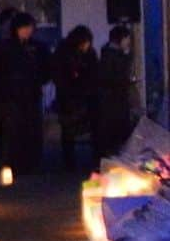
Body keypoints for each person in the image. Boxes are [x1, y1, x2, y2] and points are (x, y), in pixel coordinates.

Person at [0, 12, 51, 173]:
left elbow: (47, 68)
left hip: (32, 95)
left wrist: (40, 79)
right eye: (23, 28)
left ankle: (31, 163)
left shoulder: (38, 48)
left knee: (32, 130)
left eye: (29, 28)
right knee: (13, 131)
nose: (26, 31)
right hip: (11, 96)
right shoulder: (6, 48)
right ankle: (13, 163)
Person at [51, 25, 98, 171]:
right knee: (68, 129)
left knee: (90, 127)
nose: (86, 46)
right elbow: (59, 75)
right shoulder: (64, 53)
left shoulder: (89, 54)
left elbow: (93, 71)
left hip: (85, 95)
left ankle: (92, 159)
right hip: (69, 97)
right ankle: (69, 162)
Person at [97, 24, 137, 160]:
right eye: (127, 38)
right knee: (117, 134)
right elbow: (116, 78)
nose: (128, 42)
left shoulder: (107, 54)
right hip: (115, 102)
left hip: (112, 101)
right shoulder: (115, 56)